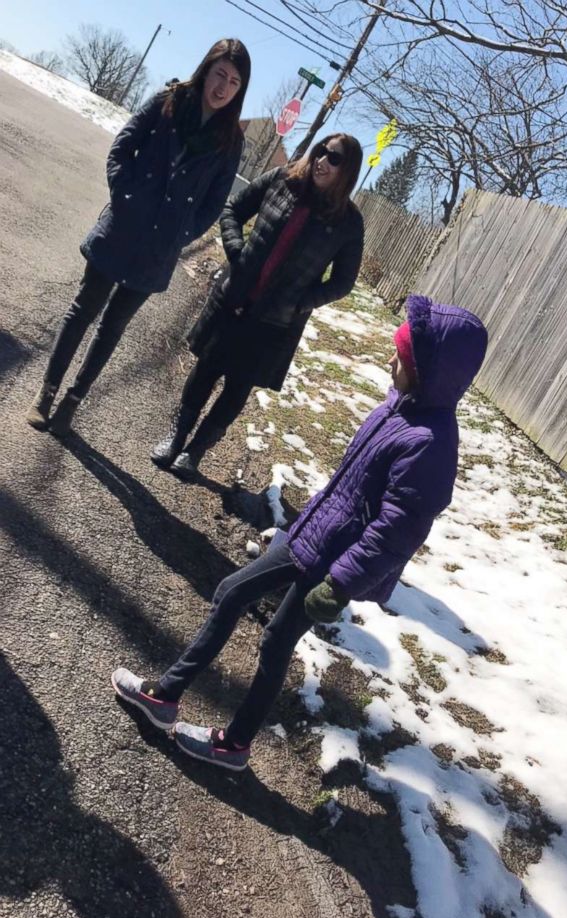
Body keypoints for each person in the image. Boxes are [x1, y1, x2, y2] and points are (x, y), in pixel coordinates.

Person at [111, 294, 488, 771]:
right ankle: (178, 707)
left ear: (432, 370)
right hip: (313, 533)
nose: (391, 360)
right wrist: (306, 517)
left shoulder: (430, 445)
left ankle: (214, 731)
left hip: (332, 561)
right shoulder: (403, 407)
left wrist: (339, 585)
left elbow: (397, 531)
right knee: (243, 607)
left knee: (251, 616)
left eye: (404, 356)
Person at [27, 39, 252, 436]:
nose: (223, 87)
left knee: (112, 326)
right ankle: (46, 393)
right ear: (207, 68)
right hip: (121, 228)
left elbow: (214, 203)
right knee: (83, 309)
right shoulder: (169, 100)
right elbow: (121, 149)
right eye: (220, 74)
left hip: (158, 249)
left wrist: (181, 233)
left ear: (240, 89)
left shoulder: (229, 140)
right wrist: (124, 195)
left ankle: (73, 400)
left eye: (234, 82)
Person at [150, 133, 364, 479]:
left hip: (275, 321)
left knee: (237, 386)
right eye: (321, 151)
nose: (323, 160)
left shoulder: (348, 223)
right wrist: (237, 252)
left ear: (347, 170)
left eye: (334, 158)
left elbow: (343, 282)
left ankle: (195, 451)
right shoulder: (282, 180)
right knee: (206, 369)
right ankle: (176, 438)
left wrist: (301, 301)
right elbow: (233, 209)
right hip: (235, 297)